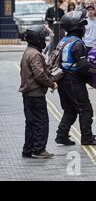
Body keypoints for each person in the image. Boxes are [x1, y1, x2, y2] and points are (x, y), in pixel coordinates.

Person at [55, 11, 96, 146]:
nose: (84, 29)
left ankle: (61, 135)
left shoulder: (63, 41)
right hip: (74, 81)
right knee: (85, 109)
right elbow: (82, 66)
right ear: (77, 28)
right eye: (82, 26)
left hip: (62, 79)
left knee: (70, 110)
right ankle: (87, 138)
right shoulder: (77, 43)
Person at [19, 25, 58, 159]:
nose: (44, 40)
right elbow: (39, 74)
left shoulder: (28, 51)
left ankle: (28, 149)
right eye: (43, 38)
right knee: (41, 122)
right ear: (37, 39)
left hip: (28, 95)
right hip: (35, 94)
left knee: (30, 123)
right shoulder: (35, 54)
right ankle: (39, 150)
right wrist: (52, 84)